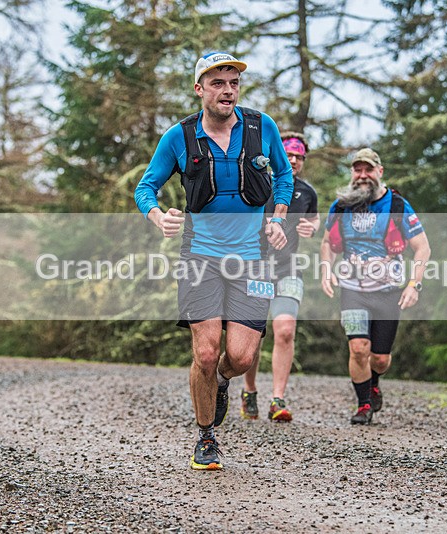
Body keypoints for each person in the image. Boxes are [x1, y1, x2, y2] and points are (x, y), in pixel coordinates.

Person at [134, 52, 293, 470]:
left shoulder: (262, 127)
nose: (227, 90)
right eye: (218, 82)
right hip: (199, 256)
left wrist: (278, 218)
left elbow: (284, 175)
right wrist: (158, 215)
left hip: (253, 258)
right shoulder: (179, 137)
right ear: (199, 88)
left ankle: (222, 381)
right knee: (204, 352)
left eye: (233, 83)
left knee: (239, 357)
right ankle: (206, 436)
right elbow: (145, 187)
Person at [319, 148, 431, 424]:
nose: (363, 175)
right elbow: (327, 243)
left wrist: (413, 285)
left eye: (368, 169)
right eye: (358, 170)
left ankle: (375, 380)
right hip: (352, 290)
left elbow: (423, 248)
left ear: (379, 172)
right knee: (358, 348)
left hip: (388, 291)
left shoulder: (397, 206)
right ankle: (364, 404)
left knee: (380, 359)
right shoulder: (342, 205)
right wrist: (326, 269)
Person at [241, 132, 319, 422]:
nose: (295, 160)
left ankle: (278, 399)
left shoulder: (308, 192)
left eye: (299, 156)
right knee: (253, 335)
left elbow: (313, 220)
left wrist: (312, 228)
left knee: (285, 331)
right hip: (257, 268)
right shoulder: (258, 184)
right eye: (290, 155)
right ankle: (249, 391)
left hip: (289, 269)